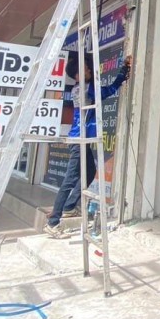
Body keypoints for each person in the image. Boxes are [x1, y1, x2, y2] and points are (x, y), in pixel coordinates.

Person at [45, 52, 132, 238]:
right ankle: (53, 222)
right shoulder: (85, 88)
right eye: (85, 69)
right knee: (69, 181)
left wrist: (123, 72)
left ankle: (69, 207)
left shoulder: (80, 88)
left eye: (88, 68)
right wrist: (123, 72)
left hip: (81, 140)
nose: (89, 71)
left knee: (90, 172)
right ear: (77, 75)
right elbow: (107, 91)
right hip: (79, 140)